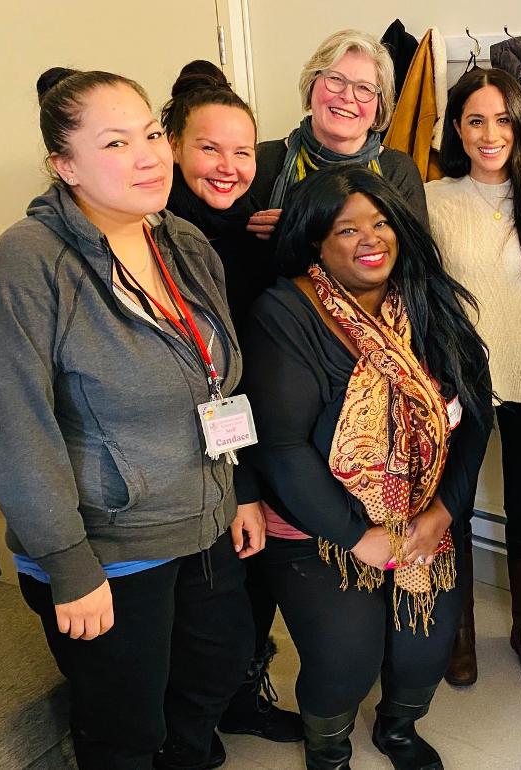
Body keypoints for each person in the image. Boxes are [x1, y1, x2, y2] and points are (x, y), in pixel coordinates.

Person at [0, 67, 260, 770]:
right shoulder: (28, 263)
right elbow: (15, 428)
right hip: (111, 544)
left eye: (153, 133)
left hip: (206, 517)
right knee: (123, 723)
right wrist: (67, 564)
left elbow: (212, 380)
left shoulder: (182, 242)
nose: (150, 154)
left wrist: (239, 488)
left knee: (219, 668)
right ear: (64, 165)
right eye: (117, 142)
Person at [235, 164, 493, 770]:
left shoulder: (428, 300)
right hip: (318, 529)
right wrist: (359, 536)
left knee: (426, 647)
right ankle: (327, 750)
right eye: (347, 230)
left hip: (422, 515)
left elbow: (477, 417)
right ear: (316, 242)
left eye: (380, 223)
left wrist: (443, 513)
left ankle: (397, 729)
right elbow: (281, 448)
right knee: (346, 658)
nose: (370, 239)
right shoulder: (285, 313)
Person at [160, 59, 302, 743]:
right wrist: (239, 479)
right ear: (173, 147)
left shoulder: (259, 231)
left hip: (260, 438)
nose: (227, 166)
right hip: (198, 453)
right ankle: (198, 713)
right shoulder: (157, 242)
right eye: (207, 149)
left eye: (241, 152)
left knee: (257, 578)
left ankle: (245, 692)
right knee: (207, 597)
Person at [426, 67, 521, 687]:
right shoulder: (431, 199)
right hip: (459, 377)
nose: (490, 134)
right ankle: (458, 631)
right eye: (476, 120)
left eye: (503, 120)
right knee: (454, 502)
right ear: (457, 126)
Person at [247, 28, 428, 243]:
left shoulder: (398, 171)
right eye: (335, 79)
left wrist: (296, 230)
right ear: (312, 83)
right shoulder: (262, 160)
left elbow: (417, 267)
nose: (347, 96)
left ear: (380, 105)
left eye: (364, 88)